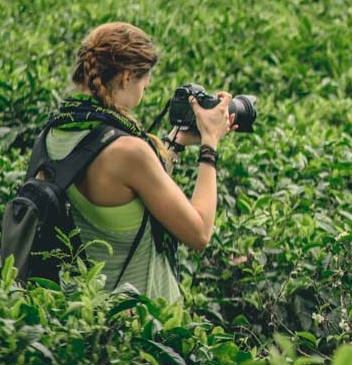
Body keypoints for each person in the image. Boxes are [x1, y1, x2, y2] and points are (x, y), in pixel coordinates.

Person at [39, 22, 235, 302]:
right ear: (127, 77)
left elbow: (130, 186)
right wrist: (209, 143)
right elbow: (200, 232)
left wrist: (174, 143)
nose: (146, 89)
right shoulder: (129, 152)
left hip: (80, 312)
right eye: (145, 82)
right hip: (140, 322)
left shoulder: (53, 133)